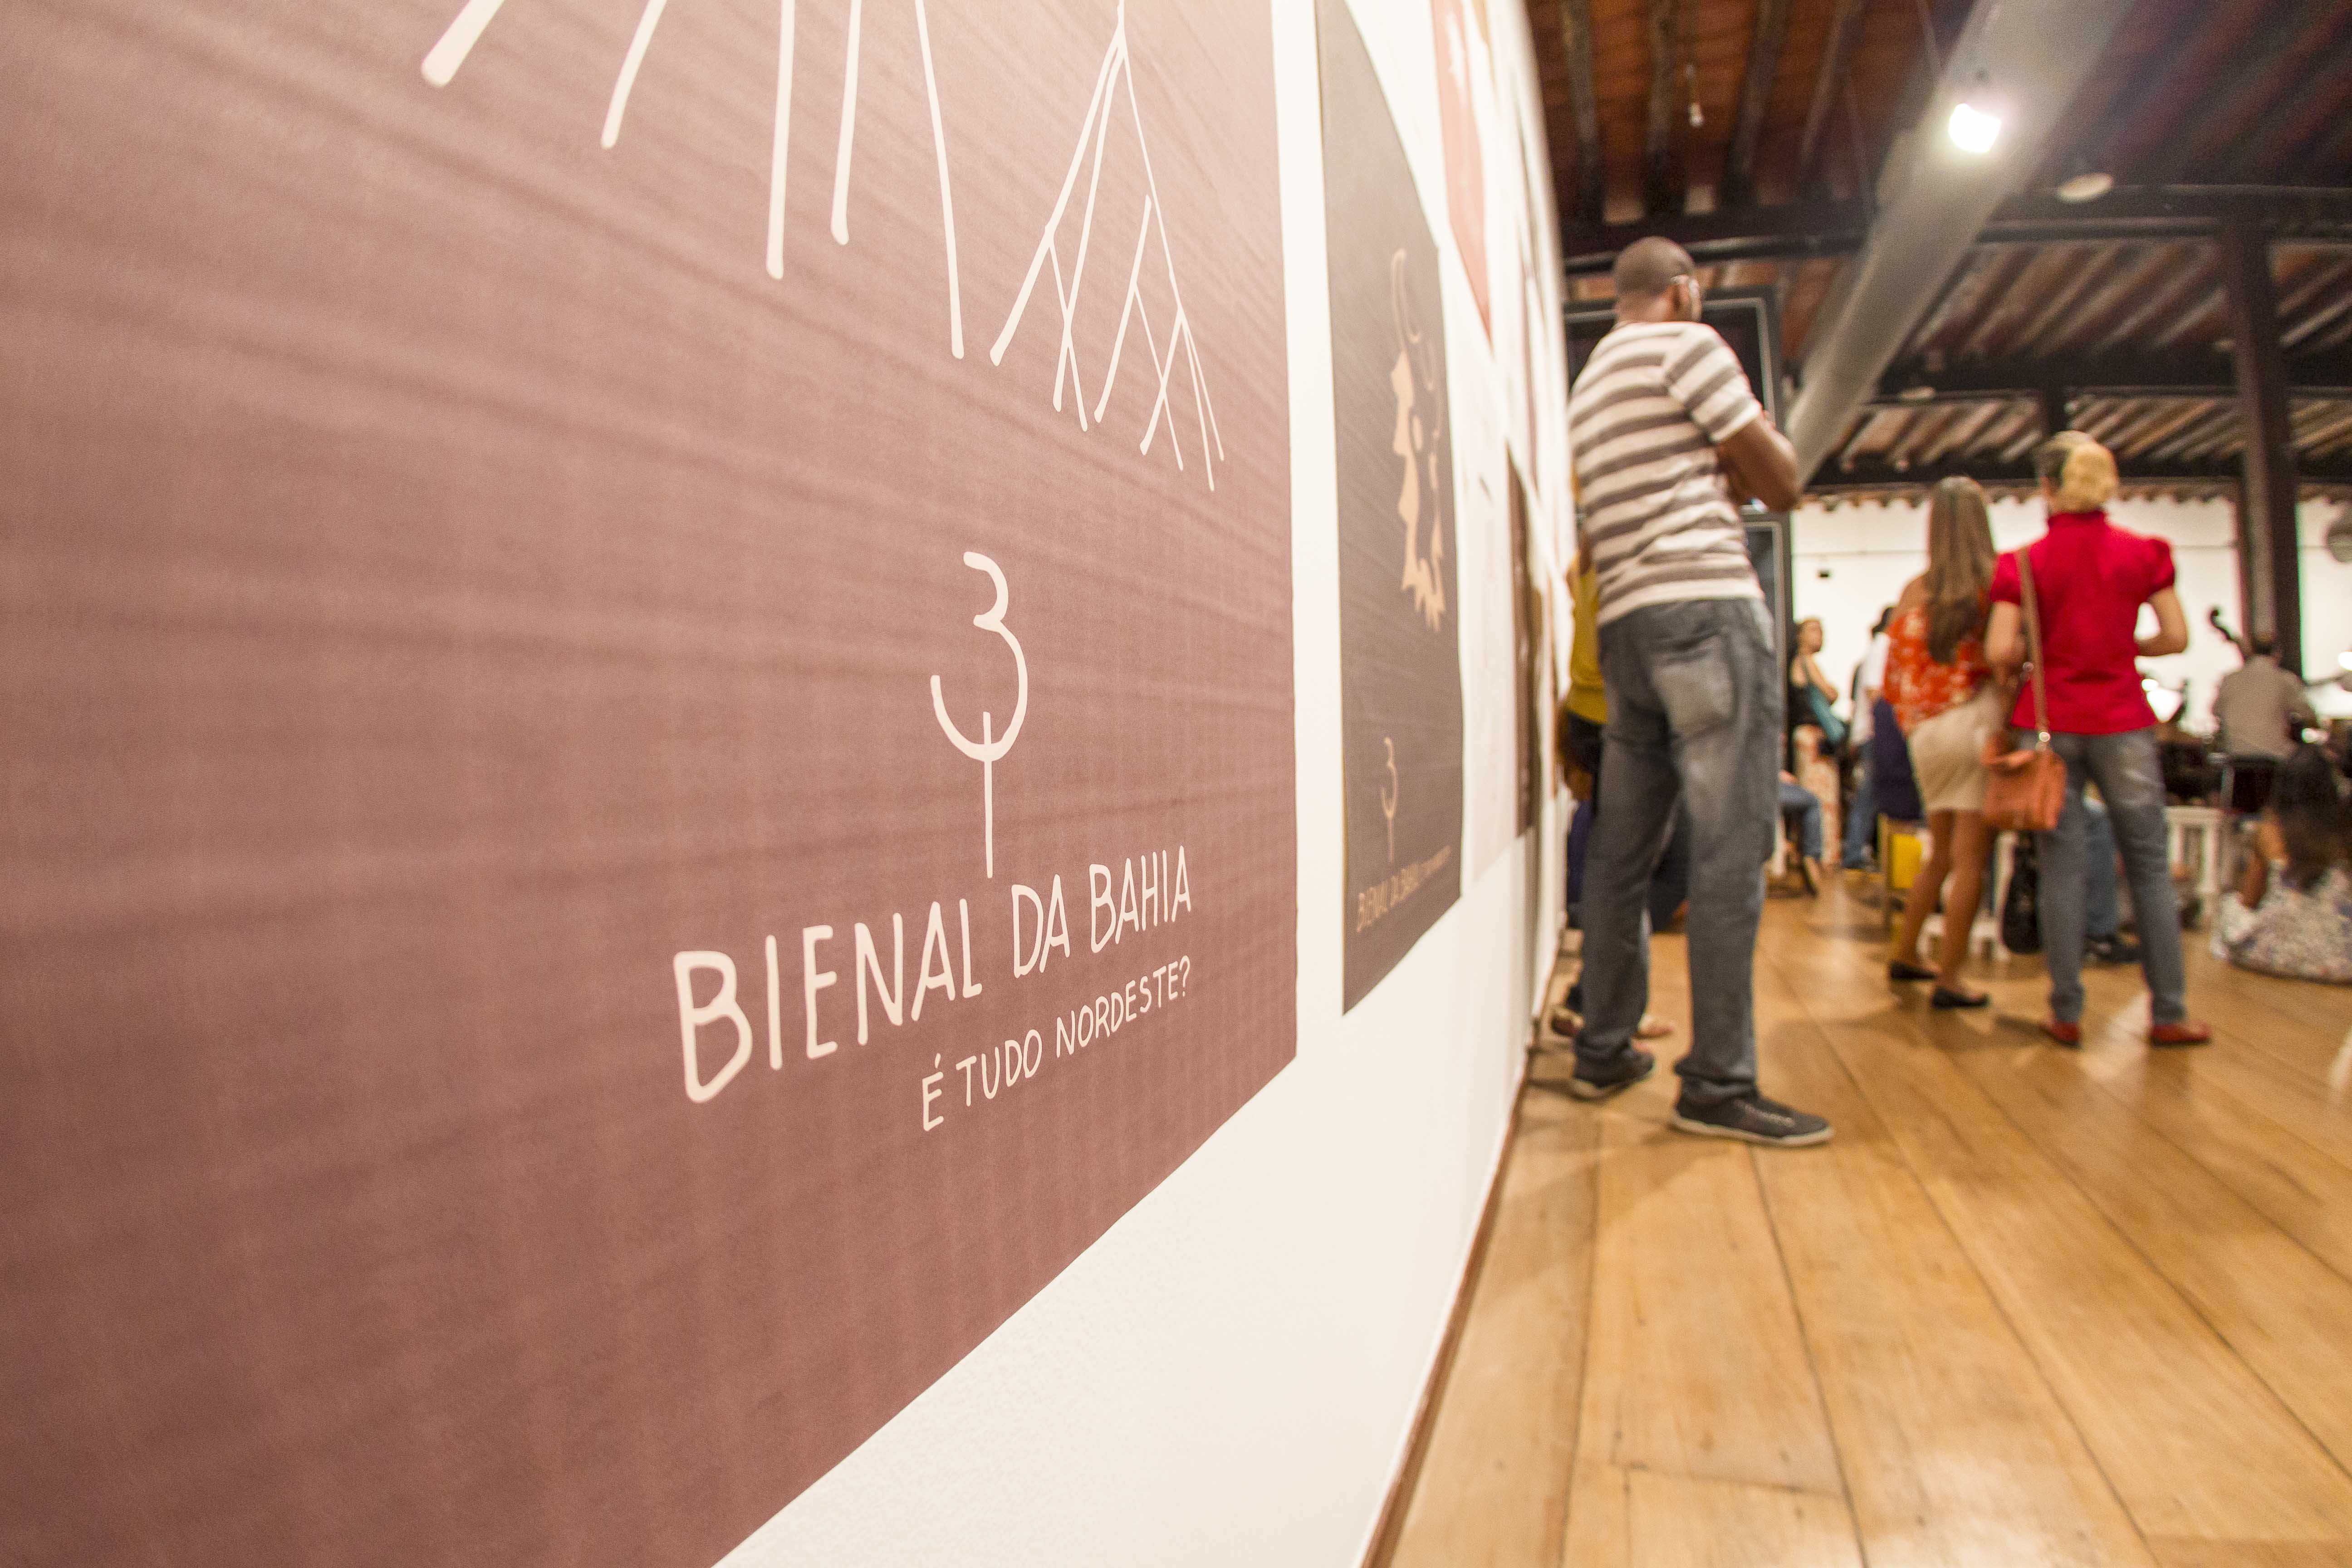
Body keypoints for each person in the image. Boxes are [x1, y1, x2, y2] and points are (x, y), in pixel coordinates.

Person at [1562, 235, 1830, 1147]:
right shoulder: (1688, 347)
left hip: (1627, 629)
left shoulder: (1591, 384)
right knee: (1728, 850)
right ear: (1682, 292)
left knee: (1620, 855)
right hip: (1706, 611)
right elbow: (1781, 483)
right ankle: (1717, 1083)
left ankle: (1602, 1048)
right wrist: (1737, 462)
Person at [1985, 432, 2210, 1047]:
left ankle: (2065, 1010)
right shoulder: (2144, 553)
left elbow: (2000, 648)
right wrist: (2121, 646)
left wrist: (2046, 651)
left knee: (2062, 867)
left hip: (2049, 721)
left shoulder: (2023, 563)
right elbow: (2176, 636)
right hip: (2122, 718)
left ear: (2047, 486)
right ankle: (2169, 1013)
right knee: (2149, 867)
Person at [1883, 478, 2003, 1008]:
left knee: (1940, 854)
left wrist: (1916, 722)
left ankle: (1907, 951)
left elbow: (1892, 681)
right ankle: (1950, 977)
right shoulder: (1992, 586)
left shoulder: (1913, 591)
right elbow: (2006, 660)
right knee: (1971, 857)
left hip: (1926, 734)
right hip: (1975, 722)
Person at [1552, 547, 1679, 1046]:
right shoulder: (1632, 557)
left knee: (1622, 875)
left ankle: (1601, 1001)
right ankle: (1604, 1008)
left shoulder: (1587, 559)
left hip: (1591, 716)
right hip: (1621, 722)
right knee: (1630, 878)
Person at [2213, 745, 2352, 983]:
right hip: (2341, 960)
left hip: (2275, 955)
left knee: (2230, 907)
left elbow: (2250, 900)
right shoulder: (2344, 832)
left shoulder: (2271, 830)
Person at [1841, 608, 1894, 871]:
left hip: (1874, 732)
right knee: (1869, 794)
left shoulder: (1880, 647)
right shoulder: (1882, 646)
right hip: (1875, 733)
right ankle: (1854, 853)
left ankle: (1862, 851)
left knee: (1872, 794)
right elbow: (1875, 693)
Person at [2214, 632, 2317, 763]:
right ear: (2277, 653)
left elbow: (2216, 710)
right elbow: (2307, 713)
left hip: (2236, 752)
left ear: (2251, 651)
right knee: (2312, 759)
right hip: (2273, 753)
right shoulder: (2284, 679)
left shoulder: (2230, 679)